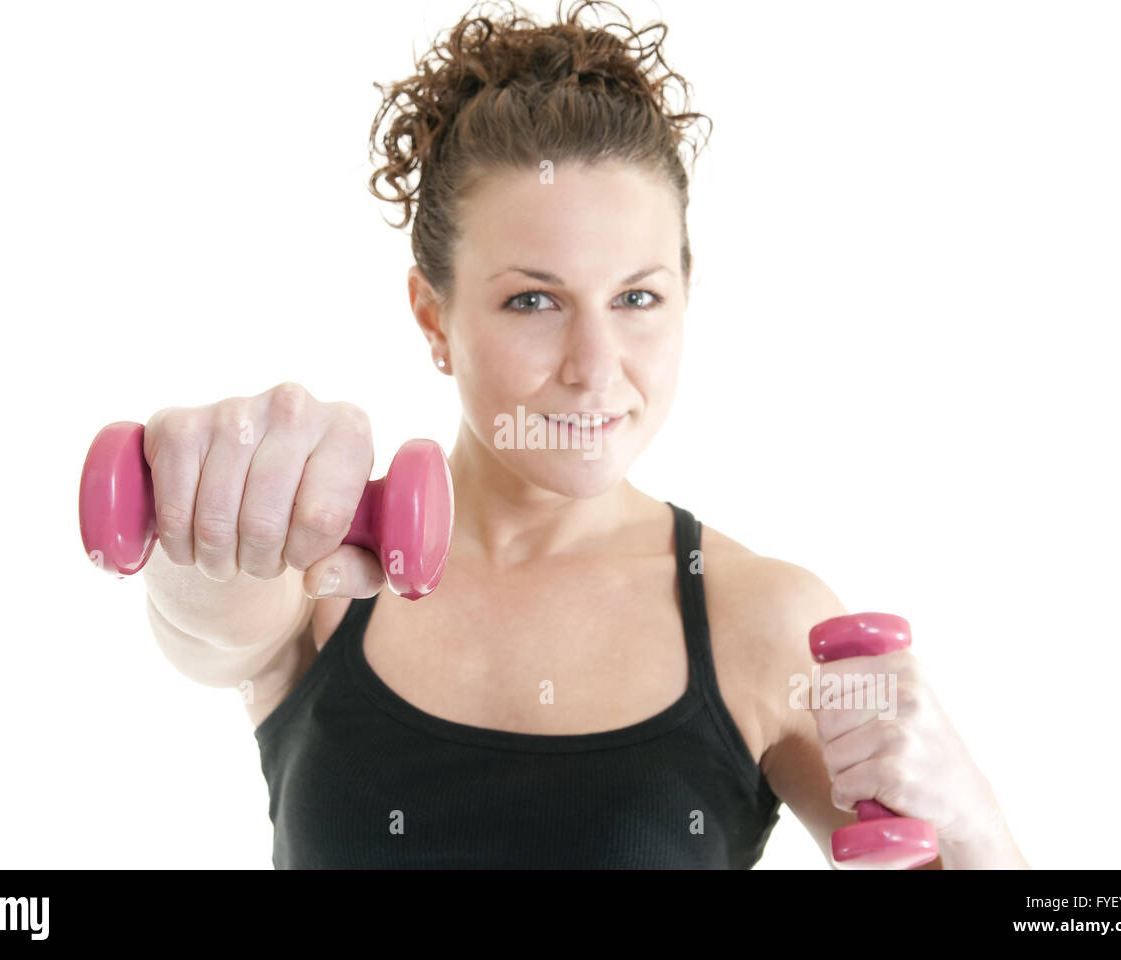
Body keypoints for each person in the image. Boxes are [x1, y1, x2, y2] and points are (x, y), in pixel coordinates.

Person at [140, 0, 1027, 869]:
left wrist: (976, 823)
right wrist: (208, 517)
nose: (594, 365)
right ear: (432, 316)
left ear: (687, 293)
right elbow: (207, 626)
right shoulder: (316, 571)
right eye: (534, 300)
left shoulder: (763, 620)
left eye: (636, 298)